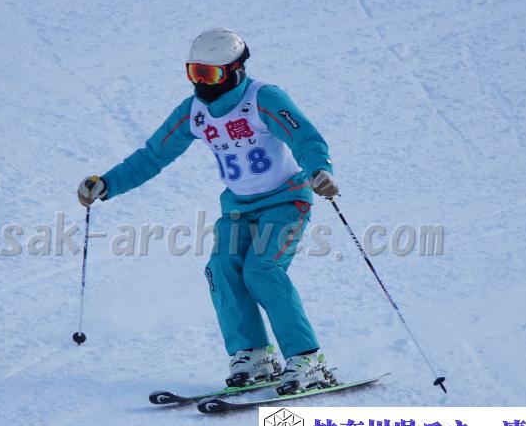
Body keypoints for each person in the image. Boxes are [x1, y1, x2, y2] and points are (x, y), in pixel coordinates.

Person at [78, 28, 339, 395]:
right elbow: (154, 155)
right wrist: (108, 183)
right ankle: (254, 354)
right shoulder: (194, 112)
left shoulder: (263, 98)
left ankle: (307, 358)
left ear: (234, 70)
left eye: (208, 74)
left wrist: (319, 171)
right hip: (238, 208)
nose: (200, 83)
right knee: (221, 269)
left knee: (262, 270)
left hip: (285, 202)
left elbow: (305, 137)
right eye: (194, 72)